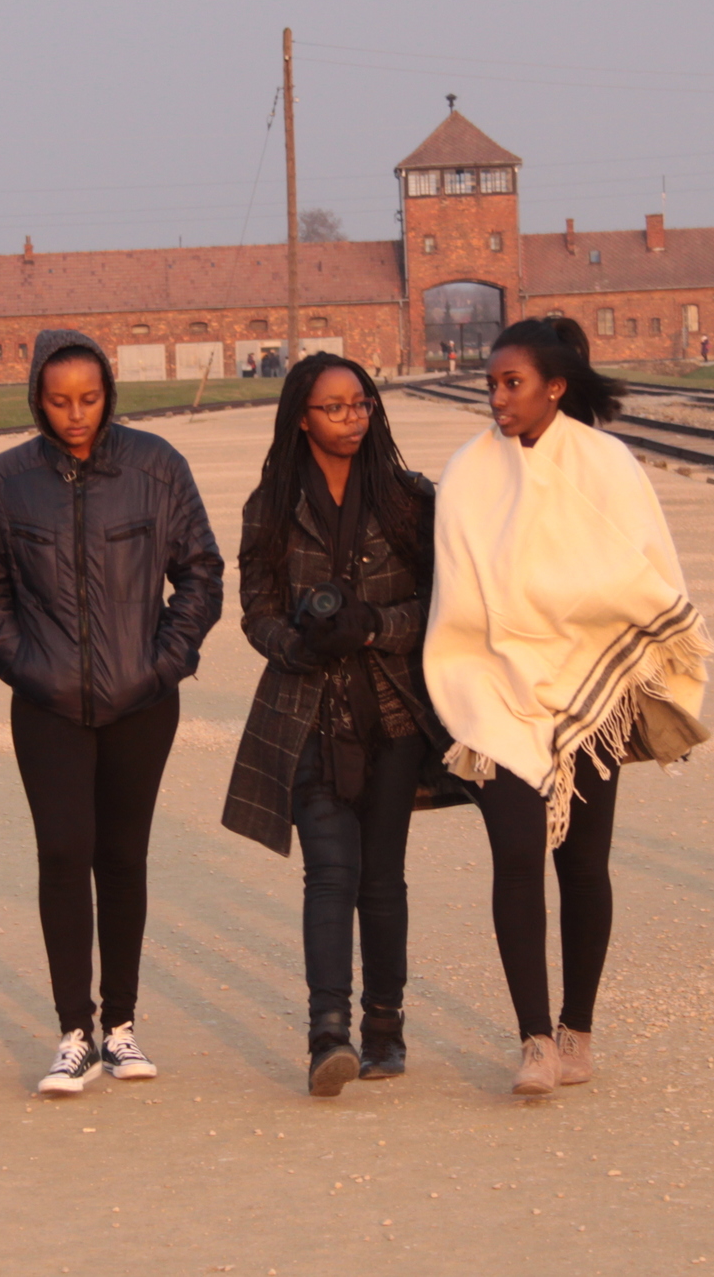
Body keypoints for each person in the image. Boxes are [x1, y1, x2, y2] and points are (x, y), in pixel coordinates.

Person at [425, 317, 714, 1097]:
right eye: (490, 383)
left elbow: (641, 571)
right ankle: (532, 1042)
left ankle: (577, 1028)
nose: (497, 397)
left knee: (582, 863)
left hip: (591, 690)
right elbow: (456, 591)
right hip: (493, 691)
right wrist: (490, 658)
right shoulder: (467, 472)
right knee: (516, 860)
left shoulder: (607, 465)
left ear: (555, 385)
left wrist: (572, 621)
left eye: (511, 383)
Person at [0, 329, 223, 1095]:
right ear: (35, 399)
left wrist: (161, 661)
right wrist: (27, 665)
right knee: (62, 853)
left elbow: (201, 572)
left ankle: (121, 1026)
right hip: (48, 703)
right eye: (58, 400)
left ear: (109, 393)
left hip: (142, 700)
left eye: (89, 398)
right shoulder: (6, 480)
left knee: (122, 855)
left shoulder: (155, 467)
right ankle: (73, 1031)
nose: (75, 414)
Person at [221, 355, 448, 1096]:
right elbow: (253, 603)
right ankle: (328, 1035)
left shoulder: (410, 499)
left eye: (362, 405)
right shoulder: (273, 502)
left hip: (392, 709)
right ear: (301, 417)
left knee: (381, 877)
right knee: (329, 873)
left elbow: (443, 604)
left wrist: (374, 626)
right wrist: (297, 641)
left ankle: (386, 1027)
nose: (353, 418)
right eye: (335, 407)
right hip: (305, 711)